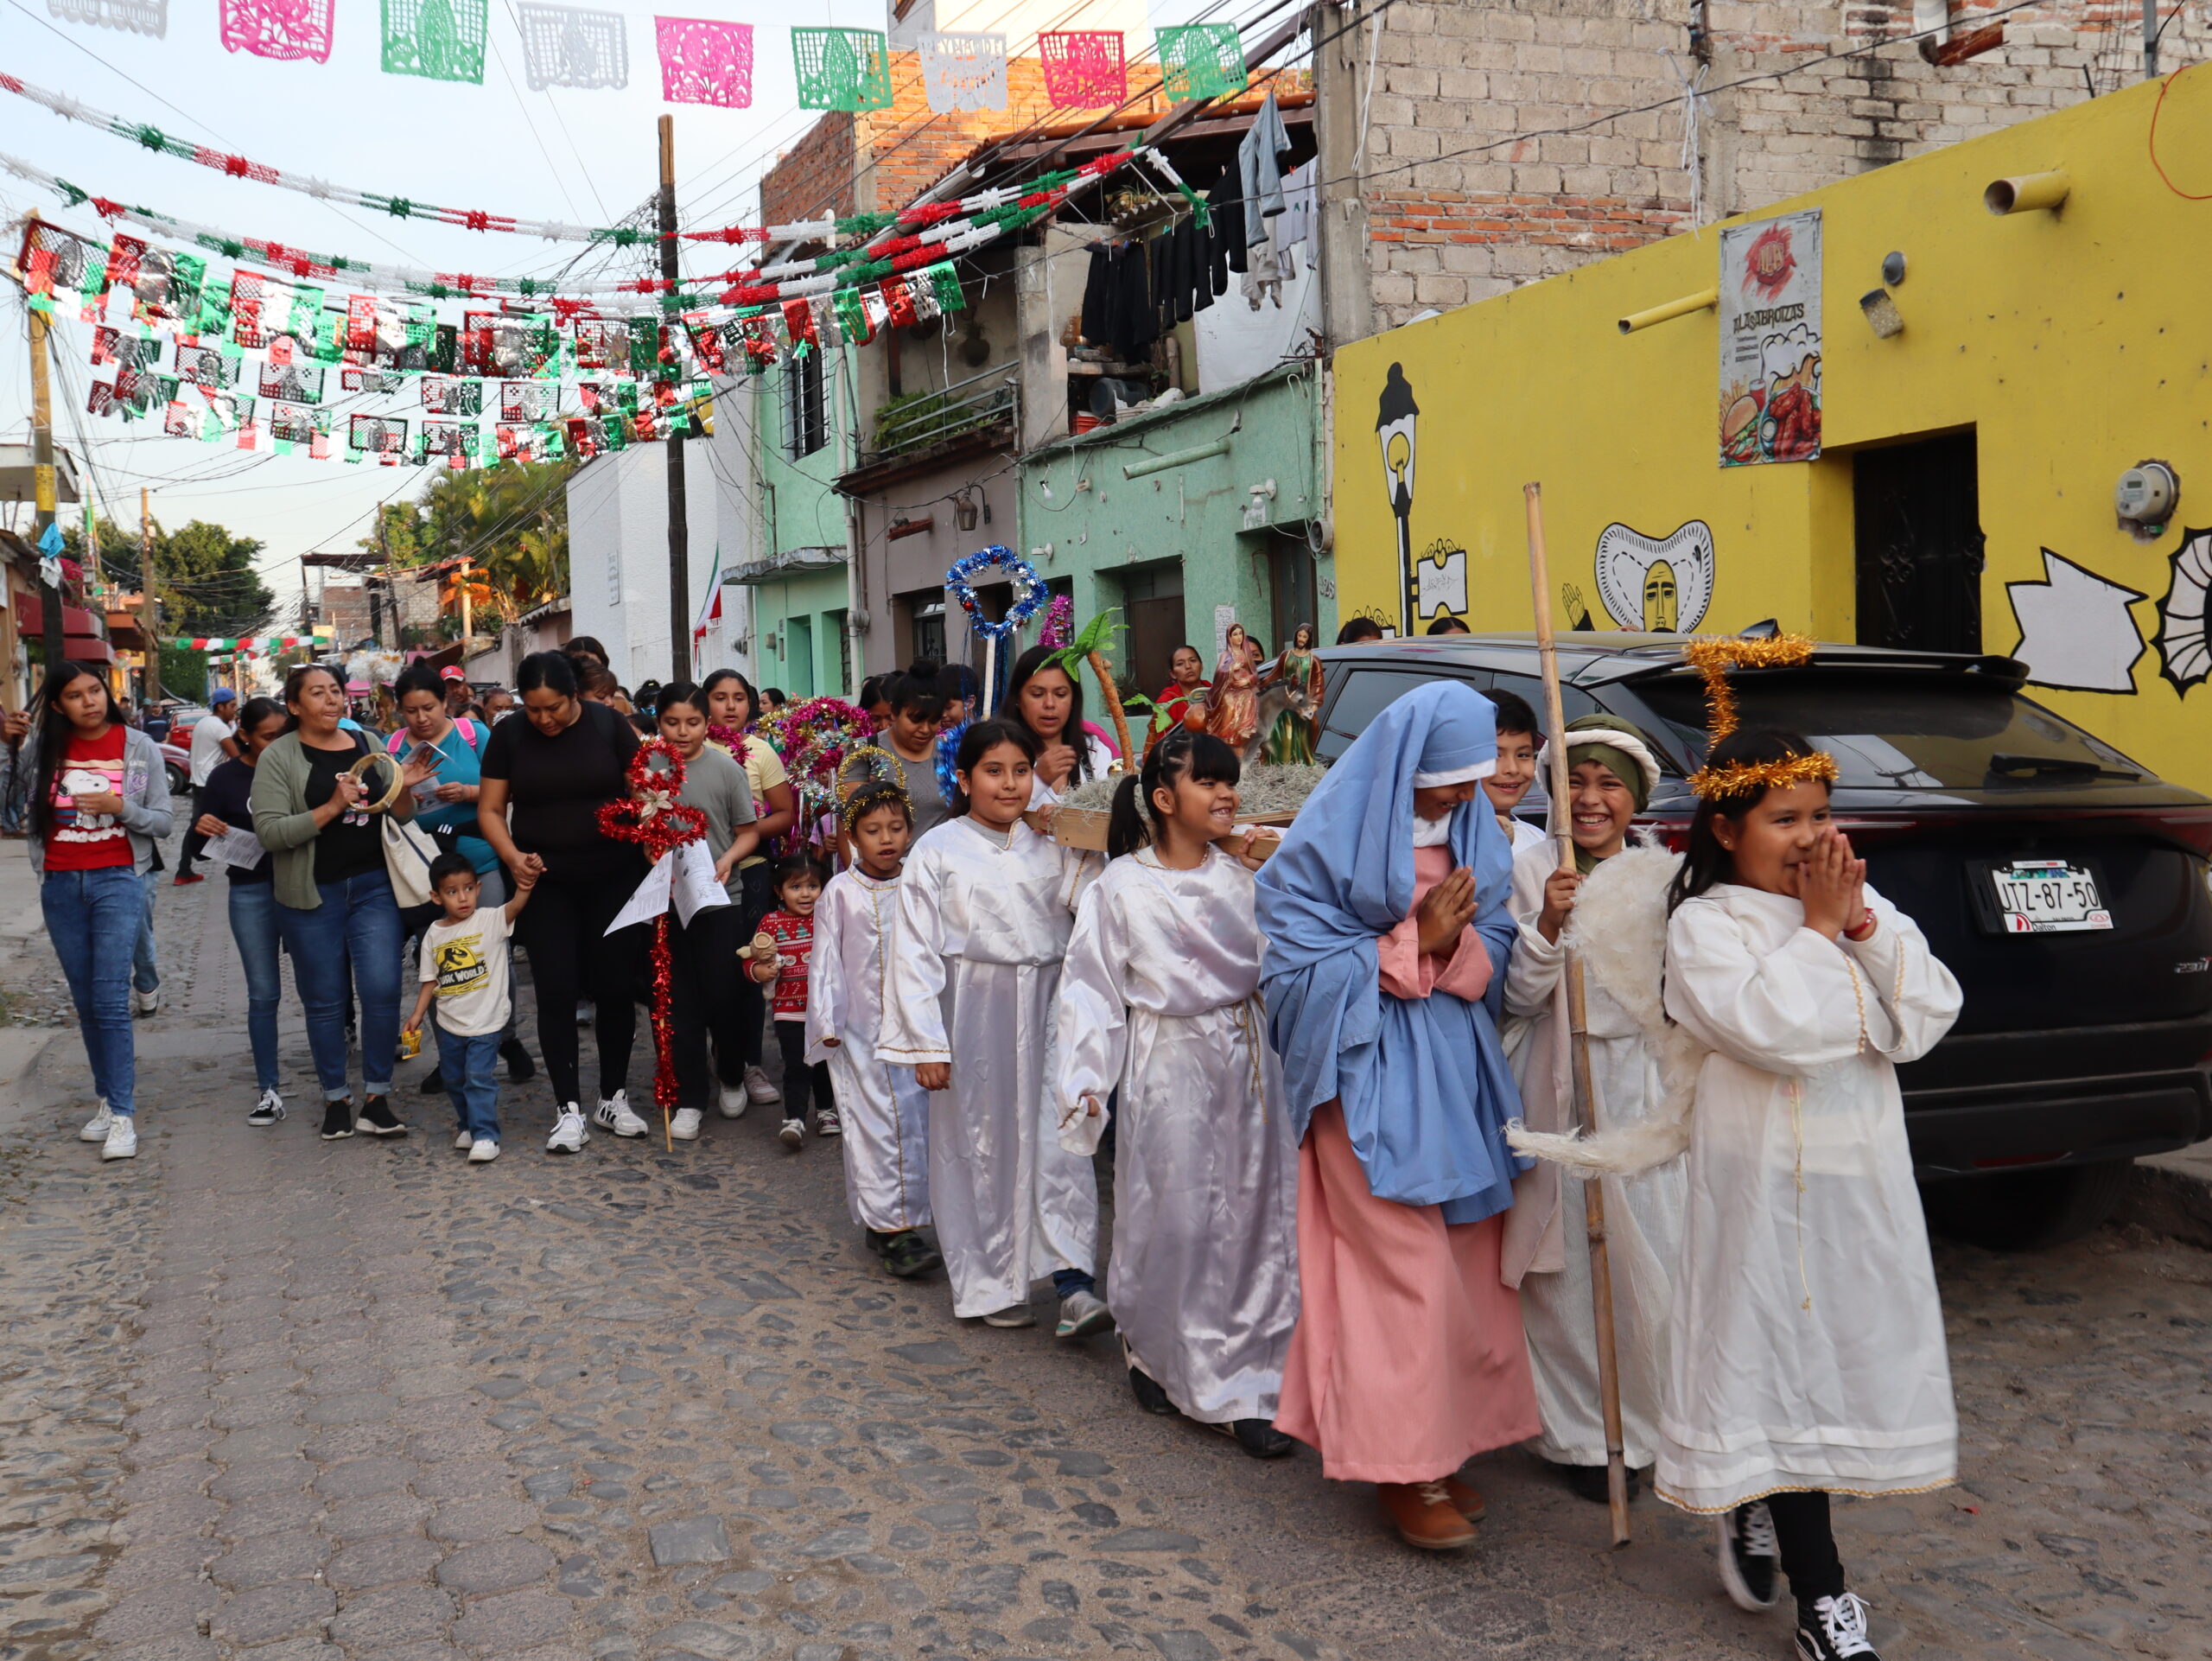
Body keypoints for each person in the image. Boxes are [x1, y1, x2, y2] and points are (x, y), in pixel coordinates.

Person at [1253, 680, 1539, 1550]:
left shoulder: (1469, 834)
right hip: (1363, 1068)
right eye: (1448, 779)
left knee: (1460, 1257)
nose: (1461, 795)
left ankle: (1441, 1442)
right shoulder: (1321, 849)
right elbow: (1290, 975)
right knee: (1399, 1262)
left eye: (1471, 777)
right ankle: (1400, 1464)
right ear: (1404, 765)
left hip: (1452, 1067)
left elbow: (1495, 938)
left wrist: (1458, 943)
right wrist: (1416, 939)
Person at [1058, 729, 1298, 1459]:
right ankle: (1167, 1354)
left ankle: (1250, 1377)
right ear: (1164, 800)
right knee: (1182, 1216)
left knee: (1258, 1217)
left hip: (1252, 1055)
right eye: (1209, 783)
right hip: (1172, 1060)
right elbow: (1091, 988)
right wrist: (1087, 1080)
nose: (1227, 795)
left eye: (1232, 782)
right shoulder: (1121, 888)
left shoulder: (1249, 875)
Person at [879, 720, 1108, 1337]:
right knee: (982, 1145)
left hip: (1053, 1003)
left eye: (1020, 770)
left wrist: (1091, 838)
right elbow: (914, 951)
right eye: (994, 770)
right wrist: (926, 1041)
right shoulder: (938, 849)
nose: (1010, 784)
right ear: (964, 778)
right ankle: (988, 1280)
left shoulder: (1054, 835)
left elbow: (1092, 905)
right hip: (974, 1009)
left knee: (1062, 1132)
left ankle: (1072, 1279)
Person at [1501, 714, 1678, 1505]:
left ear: (1636, 797)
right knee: (1565, 1261)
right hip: (1561, 1079)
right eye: (1575, 780)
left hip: (1642, 1086)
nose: (1591, 798)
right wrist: (1546, 924)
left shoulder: (1661, 871)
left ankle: (1648, 1424)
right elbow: (1513, 994)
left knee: (1655, 1253)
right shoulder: (1530, 864)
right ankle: (1580, 1434)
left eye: (1609, 782)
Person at [477, 650, 651, 1154]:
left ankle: (612, 1096)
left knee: (617, 987)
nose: (545, 719)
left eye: (554, 707)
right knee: (555, 989)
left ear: (575, 695)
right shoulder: (509, 735)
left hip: (614, 876)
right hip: (544, 881)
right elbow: (491, 809)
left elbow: (646, 790)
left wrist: (648, 821)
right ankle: (567, 1108)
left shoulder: (609, 726)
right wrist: (512, 857)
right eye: (534, 709)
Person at [0, 664, 175, 1161]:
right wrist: (5, 749)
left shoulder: (138, 747)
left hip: (118, 880)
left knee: (109, 999)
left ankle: (123, 1115)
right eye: (75, 696)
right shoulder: (41, 749)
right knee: (86, 1003)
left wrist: (120, 807)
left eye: (95, 691)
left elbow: (162, 821)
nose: (89, 701)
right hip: (59, 884)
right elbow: (8, 811)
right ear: (58, 706)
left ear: (107, 693)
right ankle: (106, 1100)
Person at [251, 663, 432, 1142]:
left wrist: (402, 789)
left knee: (382, 989)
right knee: (326, 1002)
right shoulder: (278, 757)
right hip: (311, 895)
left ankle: (376, 1097)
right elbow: (269, 834)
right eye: (318, 693)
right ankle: (336, 1097)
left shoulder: (369, 746)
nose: (332, 700)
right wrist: (332, 807)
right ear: (294, 706)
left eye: (335, 691)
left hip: (374, 886)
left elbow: (401, 815)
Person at [807, 781, 941, 1280]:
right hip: (860, 1034)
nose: (887, 839)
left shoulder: (922, 885)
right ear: (852, 837)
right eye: (872, 830)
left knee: (920, 1125)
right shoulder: (840, 893)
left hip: (919, 1032)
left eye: (896, 828)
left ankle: (907, 1218)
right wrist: (828, 1025)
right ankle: (892, 1232)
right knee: (875, 1128)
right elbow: (826, 964)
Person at [386, 664, 536, 1089]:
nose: (421, 718)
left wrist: (470, 793)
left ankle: (504, 1038)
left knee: (491, 955)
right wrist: (405, 792)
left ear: (446, 702)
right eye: (411, 710)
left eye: (429, 707)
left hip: (479, 859)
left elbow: (508, 786)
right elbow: (389, 812)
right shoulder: (392, 747)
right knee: (436, 964)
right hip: (424, 870)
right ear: (400, 710)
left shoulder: (475, 736)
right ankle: (450, 1054)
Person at [657, 682, 760, 1135]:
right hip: (669, 901)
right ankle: (690, 1099)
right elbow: (640, 824)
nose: (683, 732)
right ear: (658, 722)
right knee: (679, 1003)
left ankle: (732, 1075)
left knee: (724, 996)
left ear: (707, 723)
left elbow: (749, 830)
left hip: (721, 898)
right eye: (672, 723)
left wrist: (729, 858)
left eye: (693, 722)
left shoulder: (725, 769)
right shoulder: (648, 769)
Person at [403, 850, 538, 1165]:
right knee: (453, 1078)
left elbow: (516, 906)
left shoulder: (491, 919)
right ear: (436, 897)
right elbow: (429, 980)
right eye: (452, 892)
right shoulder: (434, 934)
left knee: (478, 1076)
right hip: (450, 1023)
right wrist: (418, 1014)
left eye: (467, 889)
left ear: (478, 887)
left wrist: (525, 884)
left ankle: (486, 1134)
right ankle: (467, 1124)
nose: (462, 898)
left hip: (487, 1022)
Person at [191, 695, 289, 1125]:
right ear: (244, 736)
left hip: (304, 886)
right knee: (263, 992)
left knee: (323, 988)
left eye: (283, 735)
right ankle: (269, 1088)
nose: (277, 743)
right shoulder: (226, 778)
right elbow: (197, 846)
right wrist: (203, 828)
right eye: (268, 737)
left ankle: (336, 1083)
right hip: (250, 890)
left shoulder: (299, 765)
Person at [702, 667, 798, 1110]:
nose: (730, 706)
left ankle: (750, 1062)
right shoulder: (691, 751)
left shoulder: (761, 752)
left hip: (753, 871)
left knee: (754, 964)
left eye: (739, 697)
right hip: (699, 874)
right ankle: (717, 1053)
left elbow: (785, 813)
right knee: (709, 968)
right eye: (720, 697)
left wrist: (740, 834)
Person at [750, 852, 835, 1149]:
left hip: (825, 1010)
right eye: (796, 887)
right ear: (779, 891)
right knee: (797, 1066)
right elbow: (752, 960)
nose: (806, 894)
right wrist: (759, 970)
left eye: (813, 886)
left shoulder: (829, 918)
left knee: (825, 1063)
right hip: (789, 1011)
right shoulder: (770, 923)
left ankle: (826, 1111)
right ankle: (795, 1119)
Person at [840, 659, 950, 843]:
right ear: (894, 712)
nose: (925, 729)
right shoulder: (863, 752)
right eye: (916, 720)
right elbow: (847, 823)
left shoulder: (951, 752)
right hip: (884, 870)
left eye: (933, 721)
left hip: (942, 868)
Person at [1006, 644, 1113, 806]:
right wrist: (1038, 779)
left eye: (1060, 694)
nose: (1050, 704)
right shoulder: (998, 753)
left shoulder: (1094, 753)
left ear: (1073, 700)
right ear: (1018, 699)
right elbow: (991, 818)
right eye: (1037, 694)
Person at [175, 687, 239, 882]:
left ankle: (184, 869)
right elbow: (236, 755)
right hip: (211, 782)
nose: (235, 710)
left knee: (196, 825)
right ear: (221, 707)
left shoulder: (203, 722)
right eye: (232, 706)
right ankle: (238, 863)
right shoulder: (220, 727)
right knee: (228, 822)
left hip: (198, 780)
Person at [1484, 690, 1548, 856]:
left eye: (1523, 755)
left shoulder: (1540, 844)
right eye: (1495, 755)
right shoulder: (1436, 840)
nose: (1512, 768)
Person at [1210, 625, 1260, 749]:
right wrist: (1232, 668)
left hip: (1244, 689)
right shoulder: (1226, 655)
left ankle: (1245, 729)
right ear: (1229, 638)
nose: (1239, 637)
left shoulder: (1246, 654)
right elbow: (1219, 673)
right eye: (1235, 634)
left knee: (1249, 697)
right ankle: (1227, 735)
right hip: (1229, 690)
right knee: (1229, 703)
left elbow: (1254, 673)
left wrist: (1247, 680)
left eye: (1240, 634)